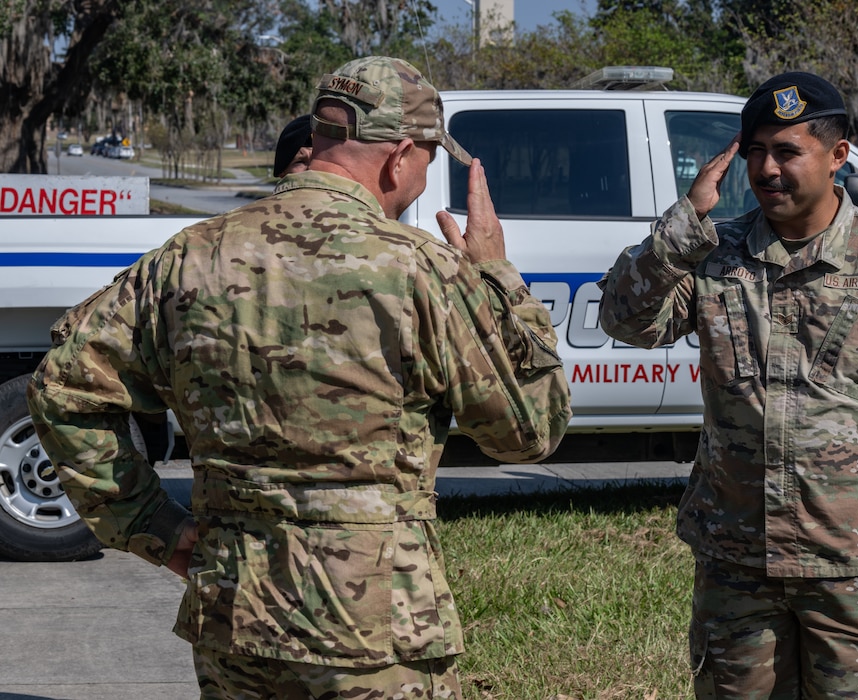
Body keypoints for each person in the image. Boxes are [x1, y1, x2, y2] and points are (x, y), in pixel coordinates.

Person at [27, 55, 571, 699]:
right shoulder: (424, 271)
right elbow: (530, 432)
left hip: (235, 622)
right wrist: (498, 277)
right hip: (377, 637)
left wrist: (153, 525)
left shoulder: (186, 258)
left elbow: (61, 390)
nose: (423, 178)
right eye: (428, 161)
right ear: (400, 158)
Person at [598, 72, 858, 698]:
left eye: (786, 151)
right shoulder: (715, 256)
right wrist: (685, 222)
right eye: (755, 153)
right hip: (737, 557)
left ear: (838, 156)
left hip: (856, 562)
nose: (767, 168)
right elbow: (626, 321)